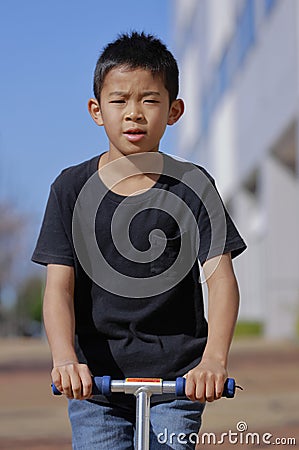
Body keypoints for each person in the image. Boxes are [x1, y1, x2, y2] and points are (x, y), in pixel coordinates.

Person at [32, 31, 246, 450]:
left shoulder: (193, 185)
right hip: (94, 382)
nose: (134, 114)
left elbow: (220, 280)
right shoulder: (70, 189)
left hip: (178, 378)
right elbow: (58, 288)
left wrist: (213, 361)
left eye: (149, 100)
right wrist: (65, 360)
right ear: (96, 110)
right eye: (119, 101)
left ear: (174, 110)